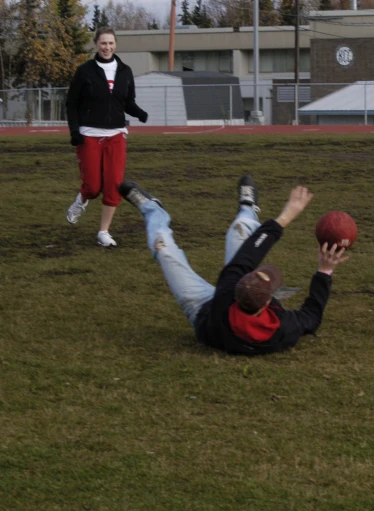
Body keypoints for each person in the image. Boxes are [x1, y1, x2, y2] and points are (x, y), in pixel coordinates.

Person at [118, 175, 349, 355]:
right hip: (225, 310)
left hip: (201, 310)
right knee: (239, 232)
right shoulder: (282, 328)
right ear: (267, 303)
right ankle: (248, 207)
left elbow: (249, 254)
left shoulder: (228, 293)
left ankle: (153, 209)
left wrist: (286, 217)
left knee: (164, 250)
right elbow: (312, 317)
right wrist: (325, 270)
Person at [65, 27, 148, 247]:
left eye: (110, 43)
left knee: (114, 185)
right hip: (89, 135)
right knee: (92, 187)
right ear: (96, 44)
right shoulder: (85, 71)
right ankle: (81, 201)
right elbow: (71, 104)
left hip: (116, 135)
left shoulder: (125, 71)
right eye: (103, 43)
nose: (107, 47)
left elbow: (127, 102)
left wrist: (139, 113)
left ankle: (104, 231)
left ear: (115, 45)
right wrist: (74, 131)